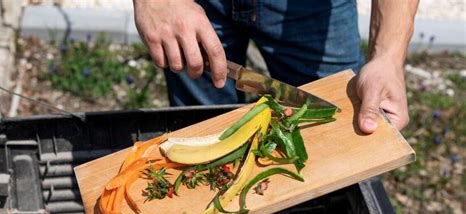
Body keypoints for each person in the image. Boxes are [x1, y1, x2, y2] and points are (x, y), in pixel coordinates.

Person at [133, 0, 418, 133]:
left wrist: (387, 56)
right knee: (201, 130)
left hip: (309, 9)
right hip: (188, 5)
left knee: (347, 130)